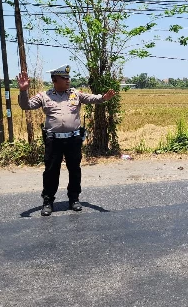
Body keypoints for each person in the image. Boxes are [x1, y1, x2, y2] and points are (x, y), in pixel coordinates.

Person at [17, 65, 116, 216]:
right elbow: (26, 105)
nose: (68, 81)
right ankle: (48, 201)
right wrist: (23, 90)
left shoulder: (75, 94)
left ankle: (74, 199)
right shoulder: (44, 96)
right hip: (53, 140)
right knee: (51, 171)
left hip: (73, 139)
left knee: (74, 169)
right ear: (55, 80)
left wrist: (103, 98)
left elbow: (91, 98)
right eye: (65, 78)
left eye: (69, 78)